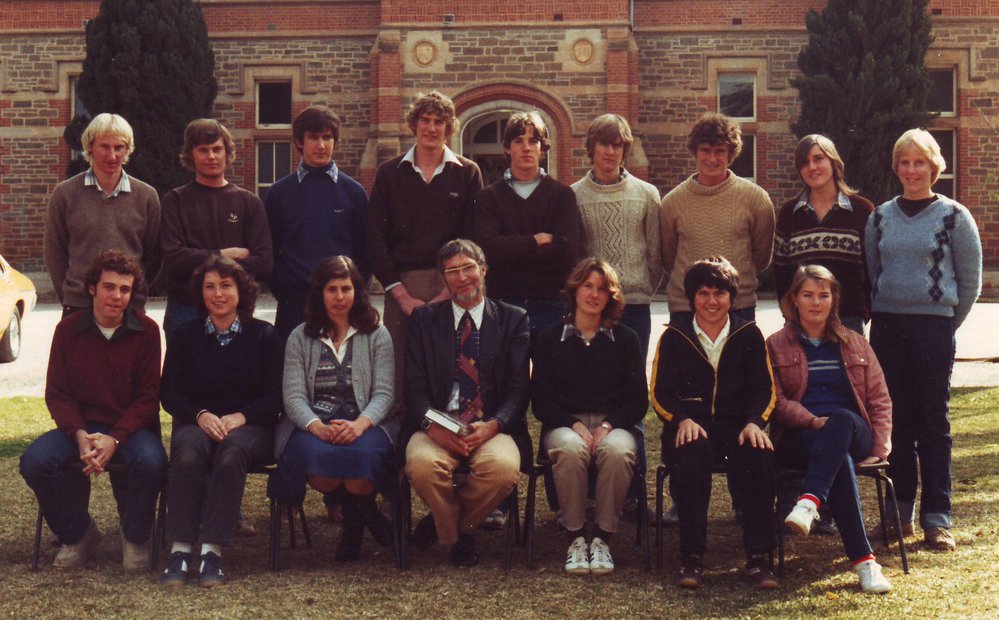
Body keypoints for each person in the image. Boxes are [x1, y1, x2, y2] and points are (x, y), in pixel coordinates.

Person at [865, 128, 982, 551]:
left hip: (933, 327)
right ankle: (898, 514)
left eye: (920, 163)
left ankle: (938, 517)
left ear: (935, 166)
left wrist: (945, 324)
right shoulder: (880, 216)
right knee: (895, 423)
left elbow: (970, 282)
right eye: (905, 162)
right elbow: (872, 271)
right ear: (896, 167)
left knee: (933, 423)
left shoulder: (954, 215)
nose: (912, 170)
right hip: (888, 328)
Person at [19, 250, 165, 571]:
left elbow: (148, 398)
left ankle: (136, 536)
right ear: (92, 288)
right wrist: (79, 433)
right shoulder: (68, 330)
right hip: (80, 427)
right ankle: (78, 533)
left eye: (125, 290)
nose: (116, 296)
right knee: (35, 462)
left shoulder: (148, 331)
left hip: (130, 429)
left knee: (152, 461)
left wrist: (116, 438)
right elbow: (57, 393)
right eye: (109, 287)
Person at [650, 256, 778, 590]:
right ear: (692, 297)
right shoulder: (675, 336)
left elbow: (765, 390)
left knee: (759, 456)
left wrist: (754, 423)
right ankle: (691, 557)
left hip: (737, 426)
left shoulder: (749, 334)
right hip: (691, 425)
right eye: (704, 293)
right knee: (692, 454)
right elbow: (659, 392)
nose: (711, 301)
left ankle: (759, 558)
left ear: (731, 298)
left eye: (719, 293)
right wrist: (681, 419)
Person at [402, 239, 530, 567]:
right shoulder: (424, 320)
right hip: (438, 423)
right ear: (443, 280)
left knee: (502, 471)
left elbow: (518, 389)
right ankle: (460, 534)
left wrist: (493, 426)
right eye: (452, 271)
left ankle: (445, 524)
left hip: (490, 425)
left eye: (468, 267)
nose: (462, 277)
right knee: (422, 466)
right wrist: (433, 428)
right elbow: (413, 387)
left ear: (484, 270)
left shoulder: (513, 319)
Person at [767, 265, 893, 593]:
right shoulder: (776, 344)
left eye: (824, 295)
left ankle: (808, 502)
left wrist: (879, 449)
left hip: (852, 430)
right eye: (807, 295)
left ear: (834, 299)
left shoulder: (854, 342)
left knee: (840, 420)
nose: (816, 303)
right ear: (794, 299)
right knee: (838, 461)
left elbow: (880, 398)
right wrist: (810, 420)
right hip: (800, 434)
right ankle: (866, 563)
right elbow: (776, 401)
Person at [159, 256, 283, 587]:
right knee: (186, 453)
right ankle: (181, 549)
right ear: (200, 294)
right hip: (199, 423)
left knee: (231, 454)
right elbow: (169, 393)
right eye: (210, 287)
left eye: (226, 286)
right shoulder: (185, 335)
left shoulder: (264, 336)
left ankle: (212, 550)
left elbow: (276, 397)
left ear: (241, 291)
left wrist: (242, 417)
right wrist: (200, 415)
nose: (218, 294)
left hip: (250, 429)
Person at [269, 256, 397, 561]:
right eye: (332, 289)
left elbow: (384, 393)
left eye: (346, 289)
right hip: (315, 423)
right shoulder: (300, 336)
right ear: (319, 293)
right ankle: (369, 515)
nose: (340, 297)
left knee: (361, 472)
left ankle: (352, 535)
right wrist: (317, 427)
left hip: (366, 423)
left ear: (357, 292)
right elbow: (294, 396)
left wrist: (360, 424)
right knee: (320, 471)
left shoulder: (378, 335)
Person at [366, 91, 484, 412]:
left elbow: (473, 238)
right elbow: (375, 237)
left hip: (454, 284)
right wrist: (401, 295)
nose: (431, 128)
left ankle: (451, 438)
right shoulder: (390, 173)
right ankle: (402, 446)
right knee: (401, 367)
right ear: (413, 125)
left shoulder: (467, 172)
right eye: (425, 120)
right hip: (404, 285)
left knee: (453, 363)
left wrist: (450, 290)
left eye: (439, 122)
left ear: (449, 128)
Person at [531, 258, 646, 575]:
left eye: (602, 290)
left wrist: (608, 425)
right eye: (587, 286)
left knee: (619, 450)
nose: (594, 295)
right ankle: (577, 537)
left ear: (611, 297)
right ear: (575, 290)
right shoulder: (548, 339)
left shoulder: (626, 340)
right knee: (570, 448)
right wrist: (575, 424)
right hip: (565, 424)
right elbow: (541, 401)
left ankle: (603, 539)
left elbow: (637, 401)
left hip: (615, 423)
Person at [160, 119, 273, 340]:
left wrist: (198, 258)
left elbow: (264, 263)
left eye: (217, 149)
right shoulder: (175, 200)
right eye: (203, 150)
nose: (211, 157)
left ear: (227, 153)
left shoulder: (249, 203)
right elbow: (173, 258)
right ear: (191, 155)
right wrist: (225, 255)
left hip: (236, 310)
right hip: (185, 309)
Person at [472, 111, 583, 337]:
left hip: (550, 305)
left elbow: (567, 253)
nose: (526, 147)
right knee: (508, 373)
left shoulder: (562, 195)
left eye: (533, 141)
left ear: (542, 149)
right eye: (518, 141)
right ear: (507, 148)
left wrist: (511, 251)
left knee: (549, 373)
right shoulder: (488, 197)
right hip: (503, 304)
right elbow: (488, 250)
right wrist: (536, 241)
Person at [659, 112, 774, 322]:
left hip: (738, 307)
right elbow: (669, 259)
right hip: (686, 308)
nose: (712, 158)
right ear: (695, 151)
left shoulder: (756, 199)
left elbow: (761, 258)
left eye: (720, 151)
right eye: (705, 150)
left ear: (731, 154)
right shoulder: (672, 202)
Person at [266, 105, 369, 339]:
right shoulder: (279, 193)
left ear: (335, 141)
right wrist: (286, 291)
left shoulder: (353, 193)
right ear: (299, 142)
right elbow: (270, 250)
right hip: (294, 305)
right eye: (313, 137)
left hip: (342, 305)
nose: (321, 145)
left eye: (327, 137)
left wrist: (347, 291)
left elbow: (365, 252)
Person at [44, 113, 160, 315]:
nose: (112, 155)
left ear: (127, 149)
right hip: (79, 306)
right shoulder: (65, 194)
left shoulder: (146, 196)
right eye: (105, 146)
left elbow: (154, 255)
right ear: (90, 146)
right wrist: (69, 295)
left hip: (128, 307)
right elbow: (54, 254)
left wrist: (134, 292)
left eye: (119, 147)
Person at [571, 114, 661, 356]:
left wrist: (638, 287)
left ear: (625, 149)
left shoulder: (647, 194)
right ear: (592, 147)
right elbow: (576, 256)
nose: (610, 151)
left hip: (635, 307)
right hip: (592, 306)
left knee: (632, 382)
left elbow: (655, 254)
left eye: (617, 145)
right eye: (604, 144)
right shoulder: (574, 196)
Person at [774, 134, 874, 334]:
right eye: (804, 162)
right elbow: (781, 272)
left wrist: (863, 313)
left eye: (818, 159)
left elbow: (874, 270)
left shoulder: (862, 210)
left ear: (833, 161)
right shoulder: (789, 213)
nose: (812, 167)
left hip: (849, 321)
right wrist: (790, 314)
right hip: (801, 322)